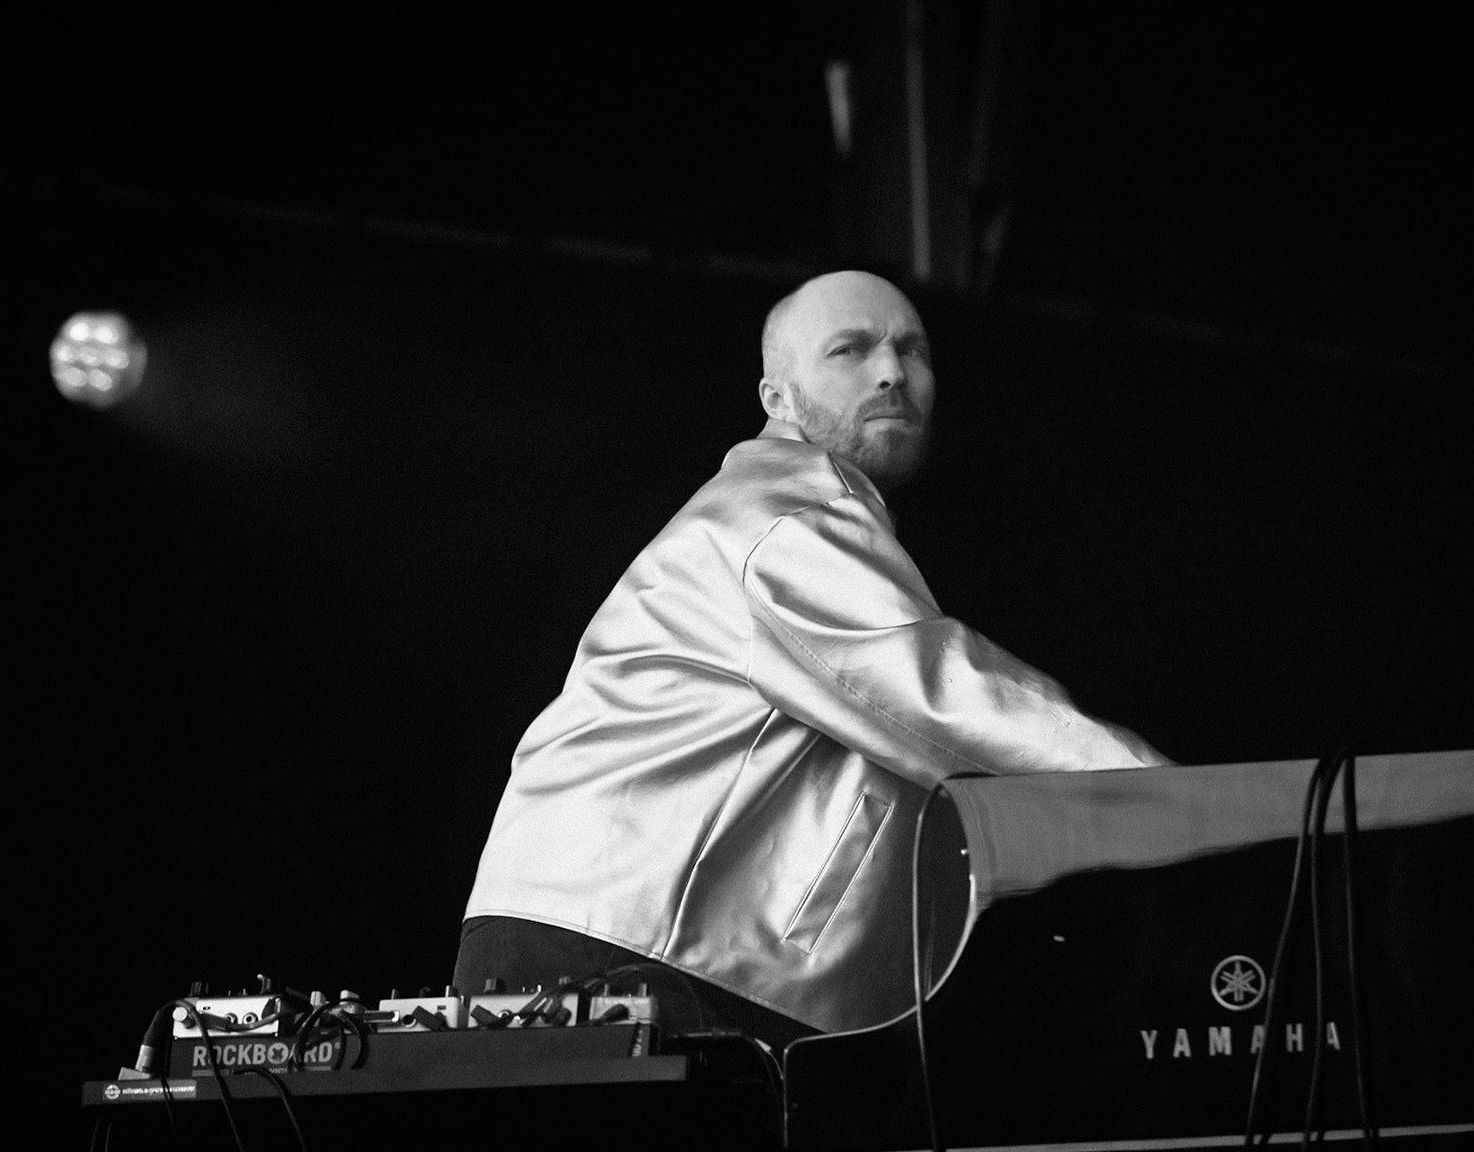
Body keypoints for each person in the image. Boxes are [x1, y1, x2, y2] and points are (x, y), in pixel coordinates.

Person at [456, 269, 1166, 1046]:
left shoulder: (800, 510)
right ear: (777, 399)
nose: (892, 371)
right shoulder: (784, 512)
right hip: (624, 948)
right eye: (850, 349)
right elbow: (941, 697)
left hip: (622, 944)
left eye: (913, 350)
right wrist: (1182, 808)